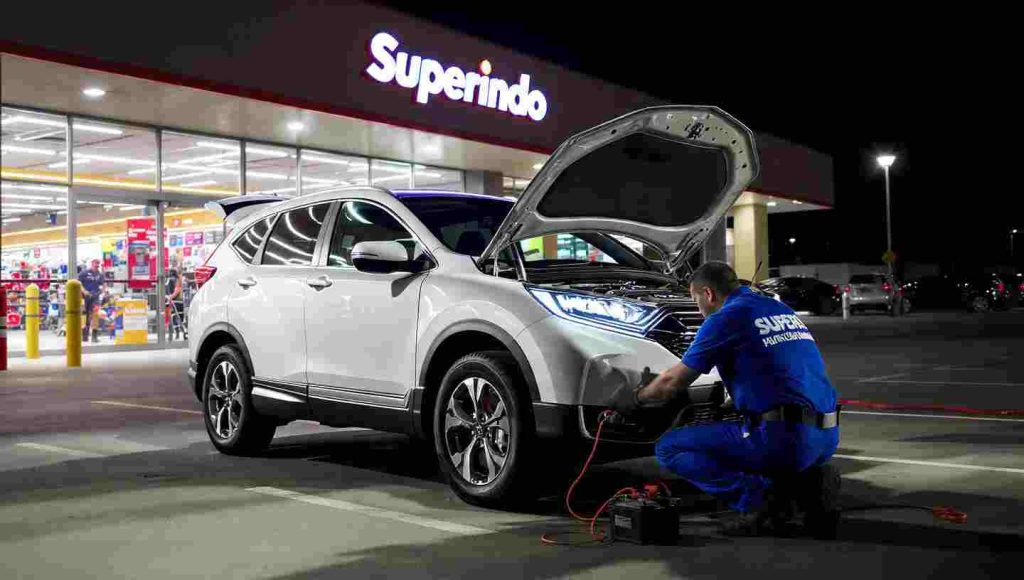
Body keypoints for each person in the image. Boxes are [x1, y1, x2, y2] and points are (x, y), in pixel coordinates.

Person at [606, 261, 841, 536]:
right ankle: (814, 483)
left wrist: (635, 399)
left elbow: (672, 383)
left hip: (785, 439)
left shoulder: (726, 318)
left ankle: (759, 502)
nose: (698, 309)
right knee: (745, 429)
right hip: (827, 435)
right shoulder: (778, 309)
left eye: (695, 301)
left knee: (670, 448)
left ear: (708, 293)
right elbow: (778, 367)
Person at [78, 259, 105, 343]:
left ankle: (94, 336)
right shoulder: (84, 273)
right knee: (84, 316)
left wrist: (102, 292)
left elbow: (102, 285)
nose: (97, 265)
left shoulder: (100, 275)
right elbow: (78, 283)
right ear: (91, 263)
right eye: (95, 263)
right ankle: (84, 336)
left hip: (95, 297)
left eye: (98, 263)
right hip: (84, 297)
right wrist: (84, 291)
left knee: (95, 315)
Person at [165, 267, 185, 340]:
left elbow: (177, 290)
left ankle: (177, 333)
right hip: (178, 301)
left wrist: (170, 297)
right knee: (179, 318)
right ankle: (182, 332)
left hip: (174, 301)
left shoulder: (172, 280)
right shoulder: (177, 279)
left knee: (174, 317)